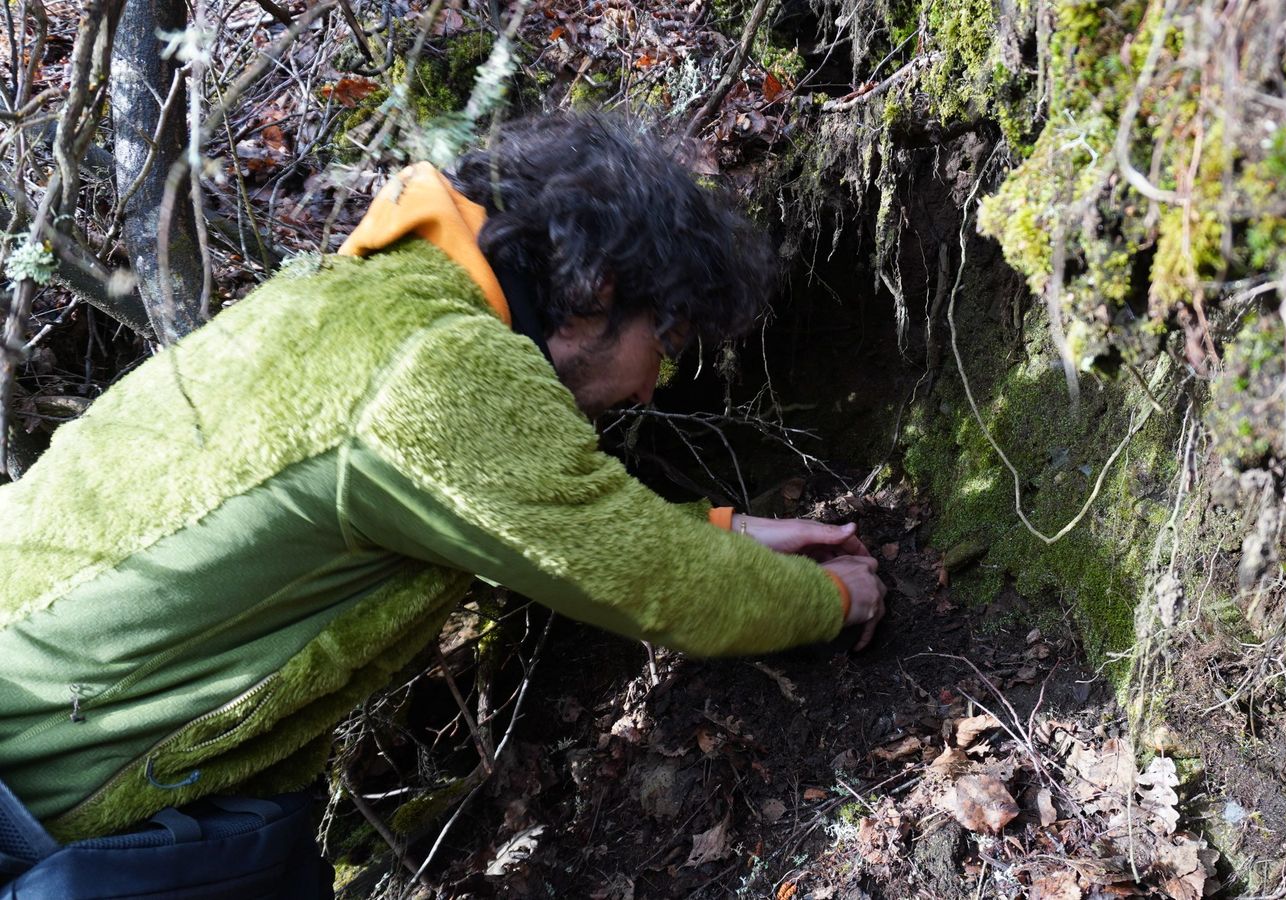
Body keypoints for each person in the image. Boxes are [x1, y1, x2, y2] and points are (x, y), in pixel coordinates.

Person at [0, 112, 886, 895]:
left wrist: (724, 532)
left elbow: (543, 521)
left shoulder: (368, 301)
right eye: (673, 339)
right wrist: (833, 600)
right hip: (36, 785)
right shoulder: (441, 374)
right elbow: (658, 585)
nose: (657, 387)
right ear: (603, 292)